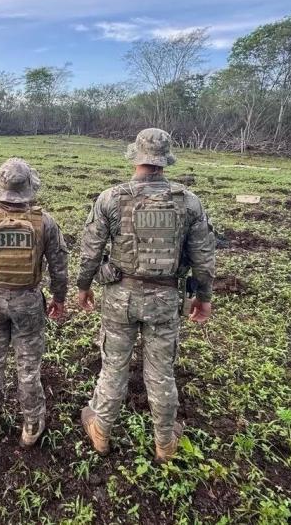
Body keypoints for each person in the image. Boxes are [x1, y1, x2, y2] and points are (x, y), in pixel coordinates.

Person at [77, 129, 215, 462]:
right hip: (166, 300)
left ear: (136, 157)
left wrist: (83, 287)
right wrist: (204, 296)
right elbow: (203, 257)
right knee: (161, 372)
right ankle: (165, 442)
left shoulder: (110, 198)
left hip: (119, 298)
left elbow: (90, 251)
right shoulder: (188, 201)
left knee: (113, 367)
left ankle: (101, 429)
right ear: (165, 160)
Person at [0, 158, 69, 448]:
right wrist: (58, 298)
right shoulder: (45, 222)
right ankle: (31, 423)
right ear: (29, 189)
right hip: (29, 302)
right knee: (29, 367)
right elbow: (59, 265)